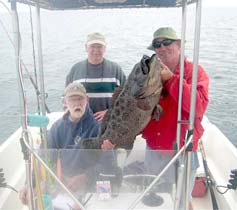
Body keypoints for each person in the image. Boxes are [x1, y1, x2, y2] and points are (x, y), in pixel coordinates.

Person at [141, 27, 209, 209]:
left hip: (182, 153)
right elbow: (137, 105)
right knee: (155, 201)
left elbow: (197, 107)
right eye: (157, 44)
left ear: (179, 45)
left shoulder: (195, 72)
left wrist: (171, 79)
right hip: (153, 152)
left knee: (180, 201)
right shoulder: (147, 73)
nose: (162, 48)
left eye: (167, 42)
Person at [19, 81, 101, 205]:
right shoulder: (57, 128)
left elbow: (105, 162)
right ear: (65, 102)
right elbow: (43, 158)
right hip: (62, 186)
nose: (77, 103)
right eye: (72, 100)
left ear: (87, 100)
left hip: (90, 187)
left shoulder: (98, 127)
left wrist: (86, 176)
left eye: (80, 99)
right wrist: (30, 184)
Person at [65, 32, 126, 121]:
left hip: (109, 123)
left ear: (105, 48)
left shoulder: (116, 69)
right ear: (86, 48)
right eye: (92, 46)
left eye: (99, 47)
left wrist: (110, 112)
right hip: (82, 123)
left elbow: (126, 97)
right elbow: (66, 98)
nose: (96, 50)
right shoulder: (75, 69)